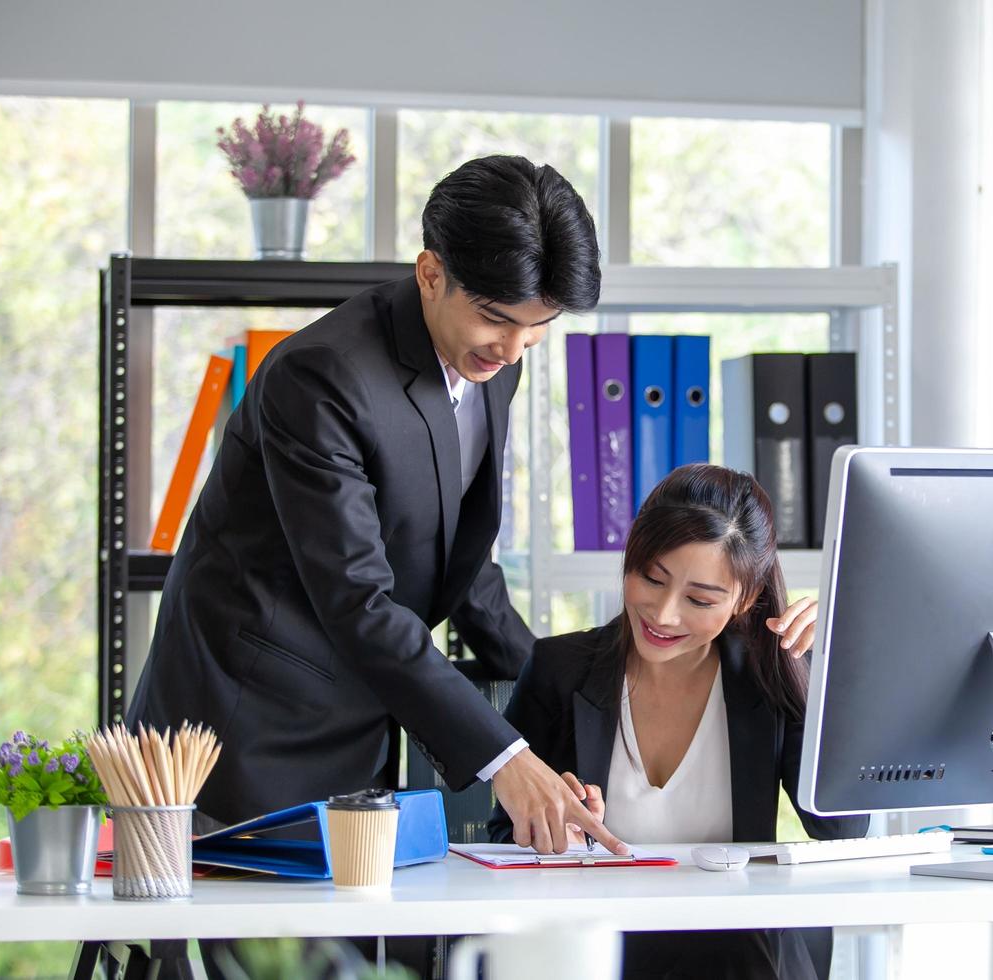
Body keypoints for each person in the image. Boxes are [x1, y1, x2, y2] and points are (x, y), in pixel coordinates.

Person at [126, 155, 622, 859]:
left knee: (373, 961)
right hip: (246, 726)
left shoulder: (489, 364)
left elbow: (462, 560)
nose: (512, 350)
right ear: (430, 273)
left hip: (359, 707)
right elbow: (357, 598)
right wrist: (505, 760)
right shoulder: (321, 377)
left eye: (538, 327)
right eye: (496, 319)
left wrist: (554, 709)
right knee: (285, 965)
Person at [489, 464, 870, 980]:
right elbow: (499, 833)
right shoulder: (559, 670)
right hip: (595, 946)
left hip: (733, 952)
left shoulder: (771, 678)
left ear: (746, 600)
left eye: (699, 600)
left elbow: (842, 829)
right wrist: (557, 830)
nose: (663, 614)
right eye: (652, 577)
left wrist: (836, 672)